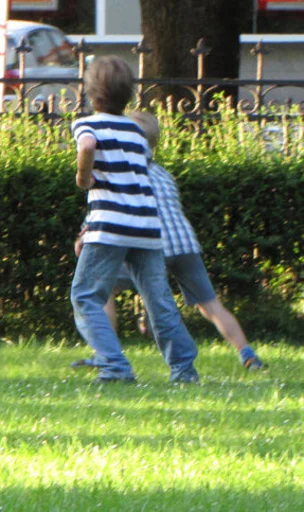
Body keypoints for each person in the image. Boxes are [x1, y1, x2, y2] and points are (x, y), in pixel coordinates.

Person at [76, 111, 264, 370]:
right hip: (185, 244)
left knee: (104, 292)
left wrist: (86, 231)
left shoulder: (126, 173)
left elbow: (118, 209)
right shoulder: (165, 175)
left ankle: (106, 355)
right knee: (210, 304)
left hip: (146, 242)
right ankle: (247, 354)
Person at [70, 55, 199, 383]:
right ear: (128, 94)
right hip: (145, 226)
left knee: (85, 296)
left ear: (91, 94)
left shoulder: (88, 123)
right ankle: (184, 370)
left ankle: (114, 365)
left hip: (109, 226)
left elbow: (86, 146)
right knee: (159, 301)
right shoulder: (136, 132)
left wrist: (83, 178)